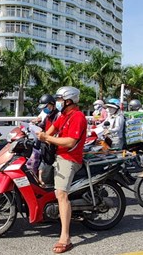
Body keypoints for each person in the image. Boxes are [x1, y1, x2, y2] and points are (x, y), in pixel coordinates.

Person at [37, 86, 86, 254]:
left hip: (69, 159)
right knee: (41, 178)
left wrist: (47, 137)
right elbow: (50, 131)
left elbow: (70, 142)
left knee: (61, 193)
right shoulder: (63, 116)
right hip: (58, 155)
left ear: (68, 101)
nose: (57, 103)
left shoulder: (77, 117)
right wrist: (41, 135)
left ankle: (65, 237)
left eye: (59, 100)